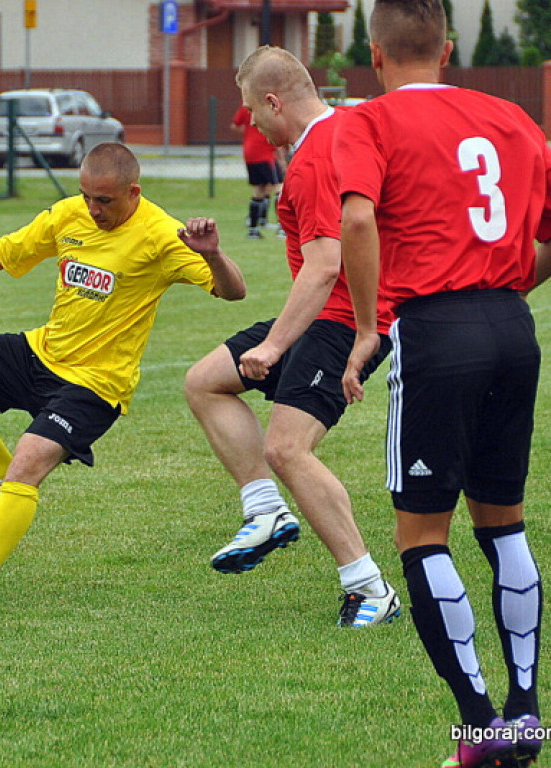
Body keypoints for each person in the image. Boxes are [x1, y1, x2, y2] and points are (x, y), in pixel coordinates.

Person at [335, 0, 551, 765]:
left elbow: (357, 221)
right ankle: (526, 712)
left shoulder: (368, 121)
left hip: (435, 329)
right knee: (504, 525)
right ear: (448, 49)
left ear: (375, 53)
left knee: (422, 536)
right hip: (512, 325)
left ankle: (479, 726)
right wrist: (507, 291)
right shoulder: (512, 118)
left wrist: (368, 329)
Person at [0, 142, 247, 608]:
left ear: (133, 192)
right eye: (87, 196)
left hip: (95, 385)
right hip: (43, 353)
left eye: (104, 200)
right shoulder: (69, 214)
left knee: (28, 463)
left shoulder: (160, 235)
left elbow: (233, 291)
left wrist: (213, 255)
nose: (92, 209)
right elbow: (4, 252)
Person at [185, 46, 401, 628]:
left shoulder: (312, 161)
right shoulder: (345, 128)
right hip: (324, 313)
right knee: (205, 382)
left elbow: (326, 263)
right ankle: (266, 512)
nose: (252, 122)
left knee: (287, 448)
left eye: (253, 109)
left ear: (274, 102)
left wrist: (275, 346)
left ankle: (369, 587)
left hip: (343, 320)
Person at [231, 104, 283, 239]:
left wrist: (249, 133)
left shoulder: (247, 106)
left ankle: (253, 230)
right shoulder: (269, 107)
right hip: (265, 154)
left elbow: (235, 125)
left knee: (259, 190)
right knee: (280, 188)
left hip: (250, 152)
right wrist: (283, 161)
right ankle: (282, 228)